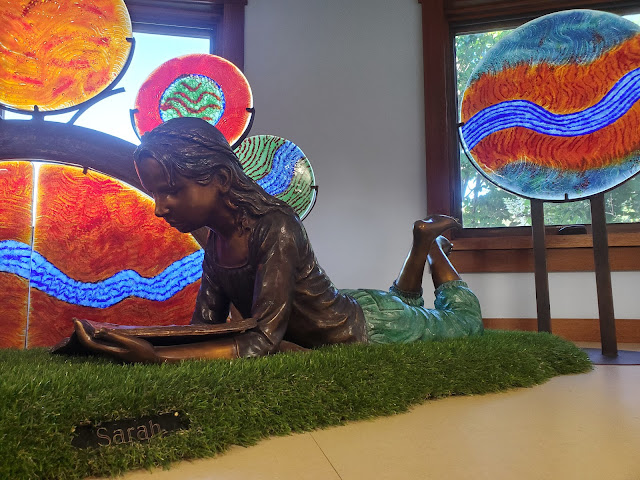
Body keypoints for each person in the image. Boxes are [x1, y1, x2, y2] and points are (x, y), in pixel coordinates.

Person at [73, 117, 483, 362]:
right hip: (351, 303)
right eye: (156, 194)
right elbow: (205, 328)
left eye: (171, 191)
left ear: (220, 179)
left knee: (463, 323)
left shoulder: (276, 227)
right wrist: (130, 337)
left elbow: (263, 339)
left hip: (370, 329)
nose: (160, 208)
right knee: (405, 298)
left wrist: (158, 357)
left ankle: (433, 250)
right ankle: (422, 245)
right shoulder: (217, 242)